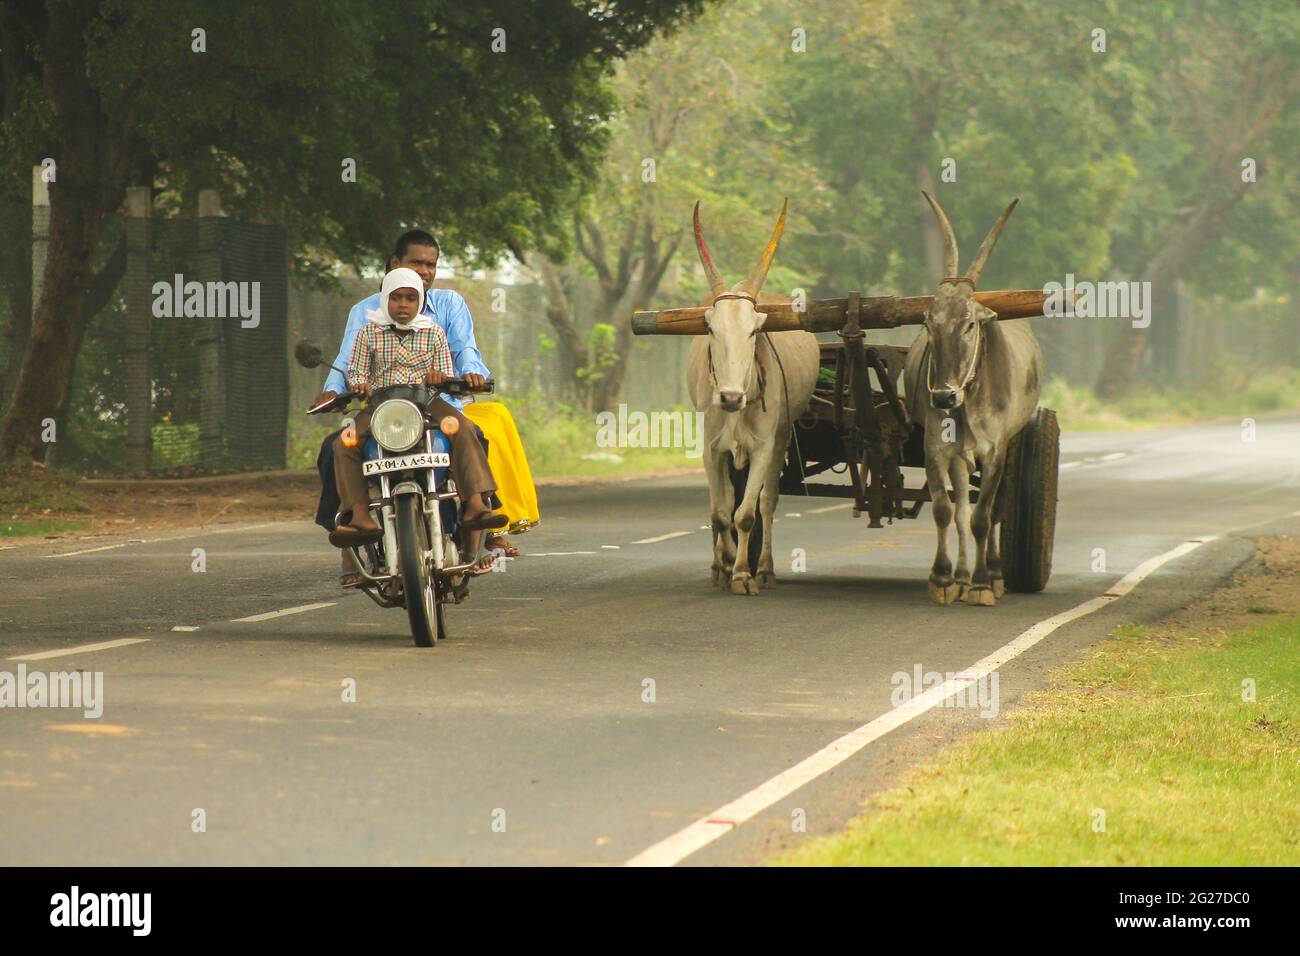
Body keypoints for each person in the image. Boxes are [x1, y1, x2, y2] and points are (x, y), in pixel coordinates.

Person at [314, 229, 528, 586]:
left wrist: (468, 373)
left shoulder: (439, 320)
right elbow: (350, 361)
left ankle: (477, 519)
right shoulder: (367, 322)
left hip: (432, 403)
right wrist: (338, 388)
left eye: (431, 265)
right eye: (417, 263)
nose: (425, 272)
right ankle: (354, 529)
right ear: (393, 269)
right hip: (382, 409)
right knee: (336, 447)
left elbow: (461, 353)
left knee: (470, 433)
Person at [331, 268, 501, 571]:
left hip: (426, 402)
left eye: (411, 298)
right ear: (385, 300)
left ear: (420, 301)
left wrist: (439, 377)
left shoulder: (433, 331)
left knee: (463, 429)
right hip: (381, 406)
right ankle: (359, 514)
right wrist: (359, 383)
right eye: (396, 298)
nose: (403, 305)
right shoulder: (368, 332)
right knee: (344, 443)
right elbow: (355, 370)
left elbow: (445, 371)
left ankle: (474, 503)